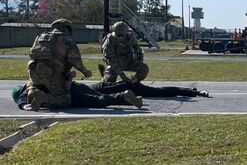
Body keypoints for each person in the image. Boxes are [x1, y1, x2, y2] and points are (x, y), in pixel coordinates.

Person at [11, 78, 207, 111]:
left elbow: (20, 97)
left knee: (97, 101)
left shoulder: (28, 87)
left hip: (74, 94)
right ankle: (124, 93)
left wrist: (23, 105)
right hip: (79, 87)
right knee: (96, 96)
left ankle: (123, 97)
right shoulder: (38, 81)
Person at [25, 18, 93, 110]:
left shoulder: (40, 38)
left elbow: (32, 55)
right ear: (67, 29)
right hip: (51, 74)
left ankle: (32, 91)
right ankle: (43, 97)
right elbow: (76, 61)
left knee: (35, 84)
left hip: (33, 72)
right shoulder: (67, 41)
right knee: (64, 100)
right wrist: (86, 72)